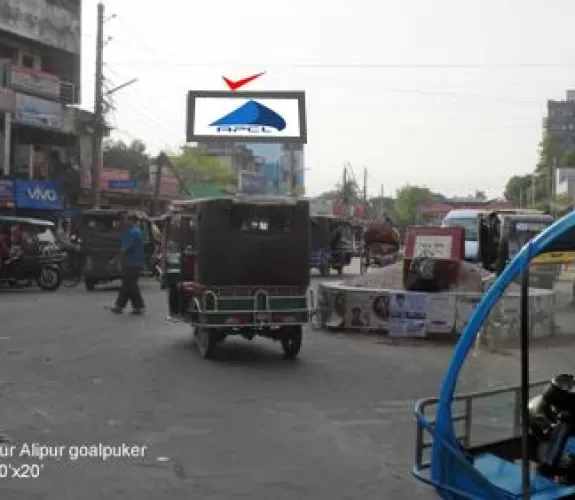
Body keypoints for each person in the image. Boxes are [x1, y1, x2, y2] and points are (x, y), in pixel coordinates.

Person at [109, 213, 145, 315]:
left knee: (129, 285)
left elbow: (126, 248)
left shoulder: (132, 232)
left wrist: (116, 259)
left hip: (131, 262)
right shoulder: (136, 231)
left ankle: (126, 306)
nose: (124, 222)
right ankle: (132, 306)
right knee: (129, 285)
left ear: (130, 220)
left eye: (125, 220)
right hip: (134, 262)